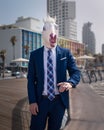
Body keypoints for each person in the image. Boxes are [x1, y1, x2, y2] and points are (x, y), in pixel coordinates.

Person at [27, 15, 80, 130]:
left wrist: (70, 83)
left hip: (59, 102)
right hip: (40, 101)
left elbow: (76, 72)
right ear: (43, 32)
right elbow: (30, 80)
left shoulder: (65, 53)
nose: (53, 35)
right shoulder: (34, 55)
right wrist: (32, 101)